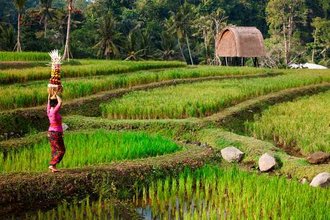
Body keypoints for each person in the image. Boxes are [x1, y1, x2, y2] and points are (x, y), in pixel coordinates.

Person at [47, 92, 65, 172]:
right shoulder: (54, 112)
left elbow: (48, 103)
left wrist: (50, 97)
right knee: (61, 150)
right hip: (56, 133)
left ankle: (53, 167)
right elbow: (60, 102)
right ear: (56, 104)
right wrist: (56, 94)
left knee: (54, 150)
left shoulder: (49, 111)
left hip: (50, 133)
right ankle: (52, 164)